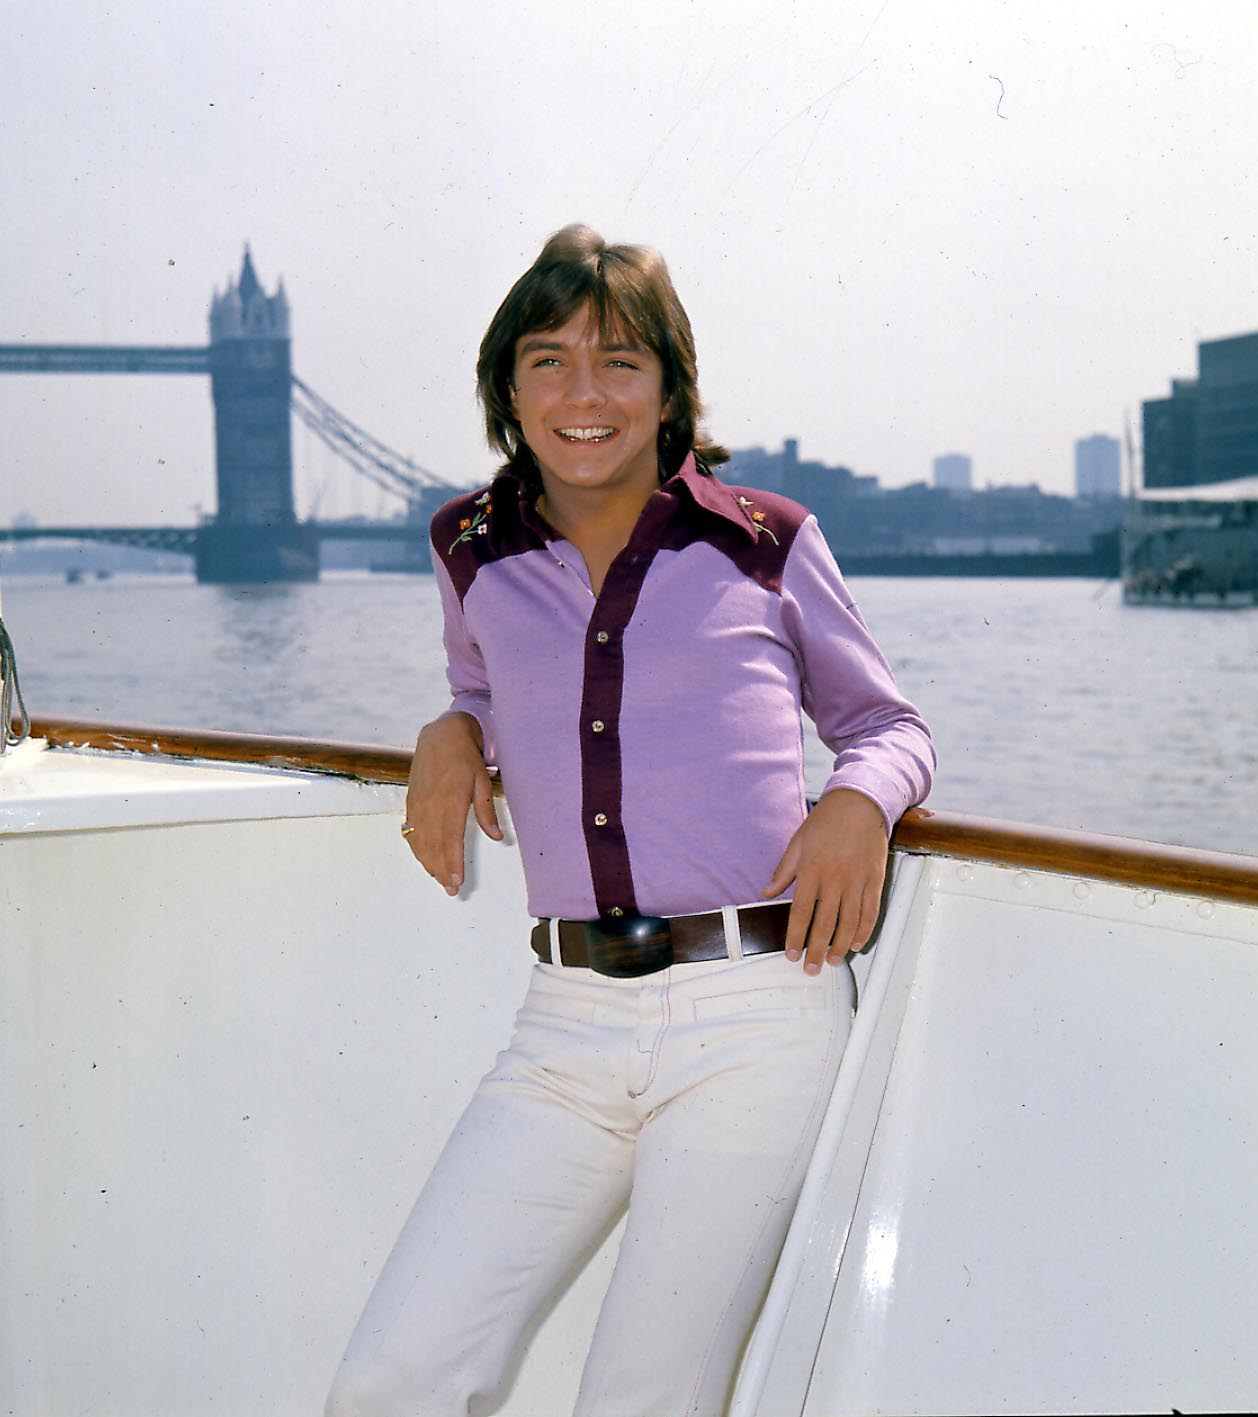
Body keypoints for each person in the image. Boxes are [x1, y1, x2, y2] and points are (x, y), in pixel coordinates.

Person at [325, 225, 935, 1417]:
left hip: (755, 1016)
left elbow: (888, 724)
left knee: (640, 1400)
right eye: (547, 361)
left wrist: (861, 800)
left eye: (619, 362)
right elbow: (486, 684)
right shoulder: (467, 547)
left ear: (670, 389)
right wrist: (452, 732)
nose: (583, 394)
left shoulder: (764, 541)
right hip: (563, 1024)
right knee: (391, 1377)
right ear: (507, 389)